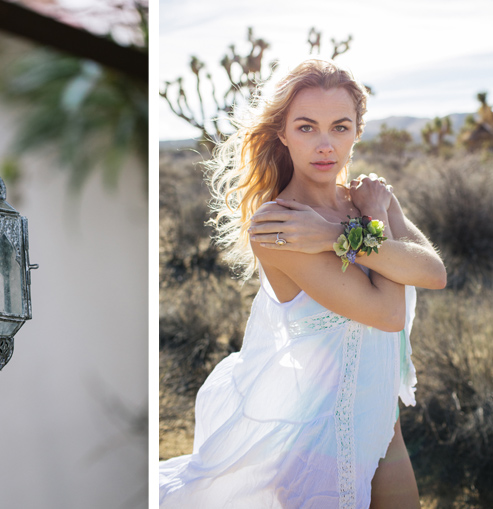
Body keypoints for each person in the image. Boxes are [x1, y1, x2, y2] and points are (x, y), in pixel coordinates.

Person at [158, 59, 446, 509]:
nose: (326, 144)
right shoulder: (277, 226)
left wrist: (346, 230)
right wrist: (375, 224)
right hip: (318, 450)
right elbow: (388, 315)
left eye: (340, 127)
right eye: (307, 127)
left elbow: (433, 272)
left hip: (387, 439)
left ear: (357, 132)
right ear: (283, 133)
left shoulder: (365, 202)